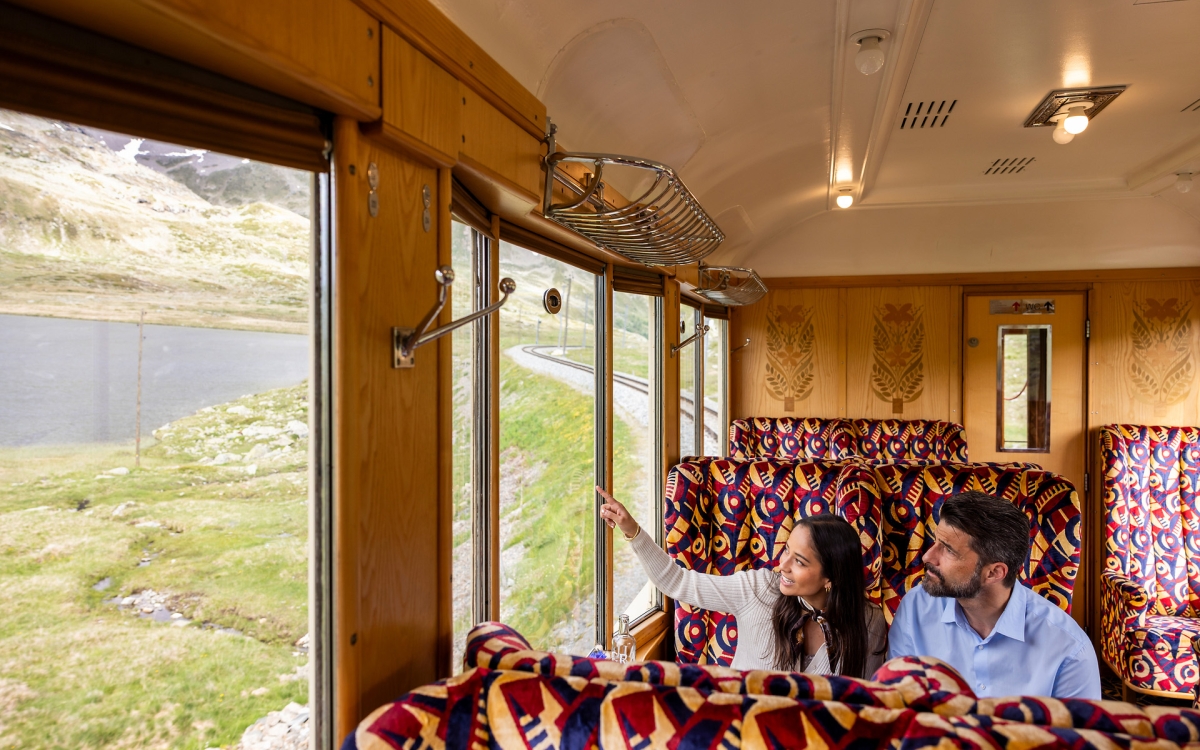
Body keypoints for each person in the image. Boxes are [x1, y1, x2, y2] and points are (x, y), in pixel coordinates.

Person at [597, 486, 887, 678]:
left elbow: (866, 701)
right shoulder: (758, 589)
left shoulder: (869, 622)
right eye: (786, 550)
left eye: (799, 561)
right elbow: (677, 582)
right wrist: (631, 530)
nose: (781, 566)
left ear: (830, 579)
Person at [888, 490, 1100, 699]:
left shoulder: (1069, 650)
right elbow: (894, 703)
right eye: (936, 542)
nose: (927, 557)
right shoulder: (915, 608)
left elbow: (1078, 733)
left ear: (994, 573)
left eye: (949, 550)